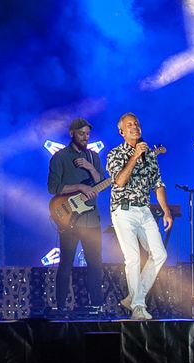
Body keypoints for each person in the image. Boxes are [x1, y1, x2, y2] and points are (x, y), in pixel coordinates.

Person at [105, 112, 171, 320]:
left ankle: (134, 296)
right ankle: (138, 307)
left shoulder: (150, 156)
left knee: (159, 254)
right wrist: (134, 156)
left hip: (144, 210)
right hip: (123, 210)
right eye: (129, 125)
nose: (135, 127)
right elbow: (120, 181)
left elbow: (158, 185)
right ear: (121, 132)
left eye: (137, 124)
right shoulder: (114, 154)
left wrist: (166, 211)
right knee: (132, 257)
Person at [47, 117, 105, 313]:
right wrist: (79, 186)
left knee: (95, 263)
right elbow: (53, 188)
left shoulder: (93, 157)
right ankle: (61, 306)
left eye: (88, 134)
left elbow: (101, 184)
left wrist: (90, 168)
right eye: (82, 133)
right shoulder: (60, 157)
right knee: (66, 264)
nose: (85, 137)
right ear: (72, 133)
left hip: (91, 219)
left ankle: (96, 304)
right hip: (69, 219)